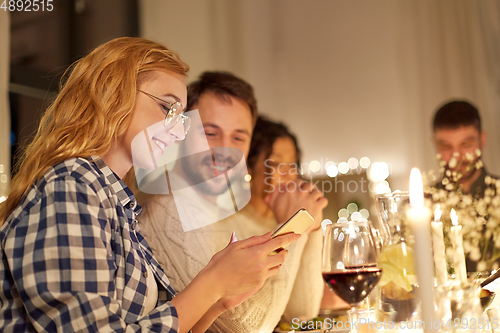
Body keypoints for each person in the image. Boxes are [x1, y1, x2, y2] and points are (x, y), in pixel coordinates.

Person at [0, 38, 299, 333]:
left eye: (181, 118)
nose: (178, 133)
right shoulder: (71, 187)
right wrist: (213, 283)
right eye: (167, 107)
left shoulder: (115, 201)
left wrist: (219, 300)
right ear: (114, 96)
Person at [137, 72, 328, 333]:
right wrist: (295, 226)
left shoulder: (221, 211)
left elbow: (300, 313)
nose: (225, 150)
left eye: (238, 138)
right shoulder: (171, 212)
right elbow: (242, 328)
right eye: (210, 133)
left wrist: (309, 226)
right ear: (181, 132)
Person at [432, 100, 497, 198]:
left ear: (482, 140)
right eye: (446, 147)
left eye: (466, 145)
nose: (456, 158)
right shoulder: (421, 206)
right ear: (435, 144)